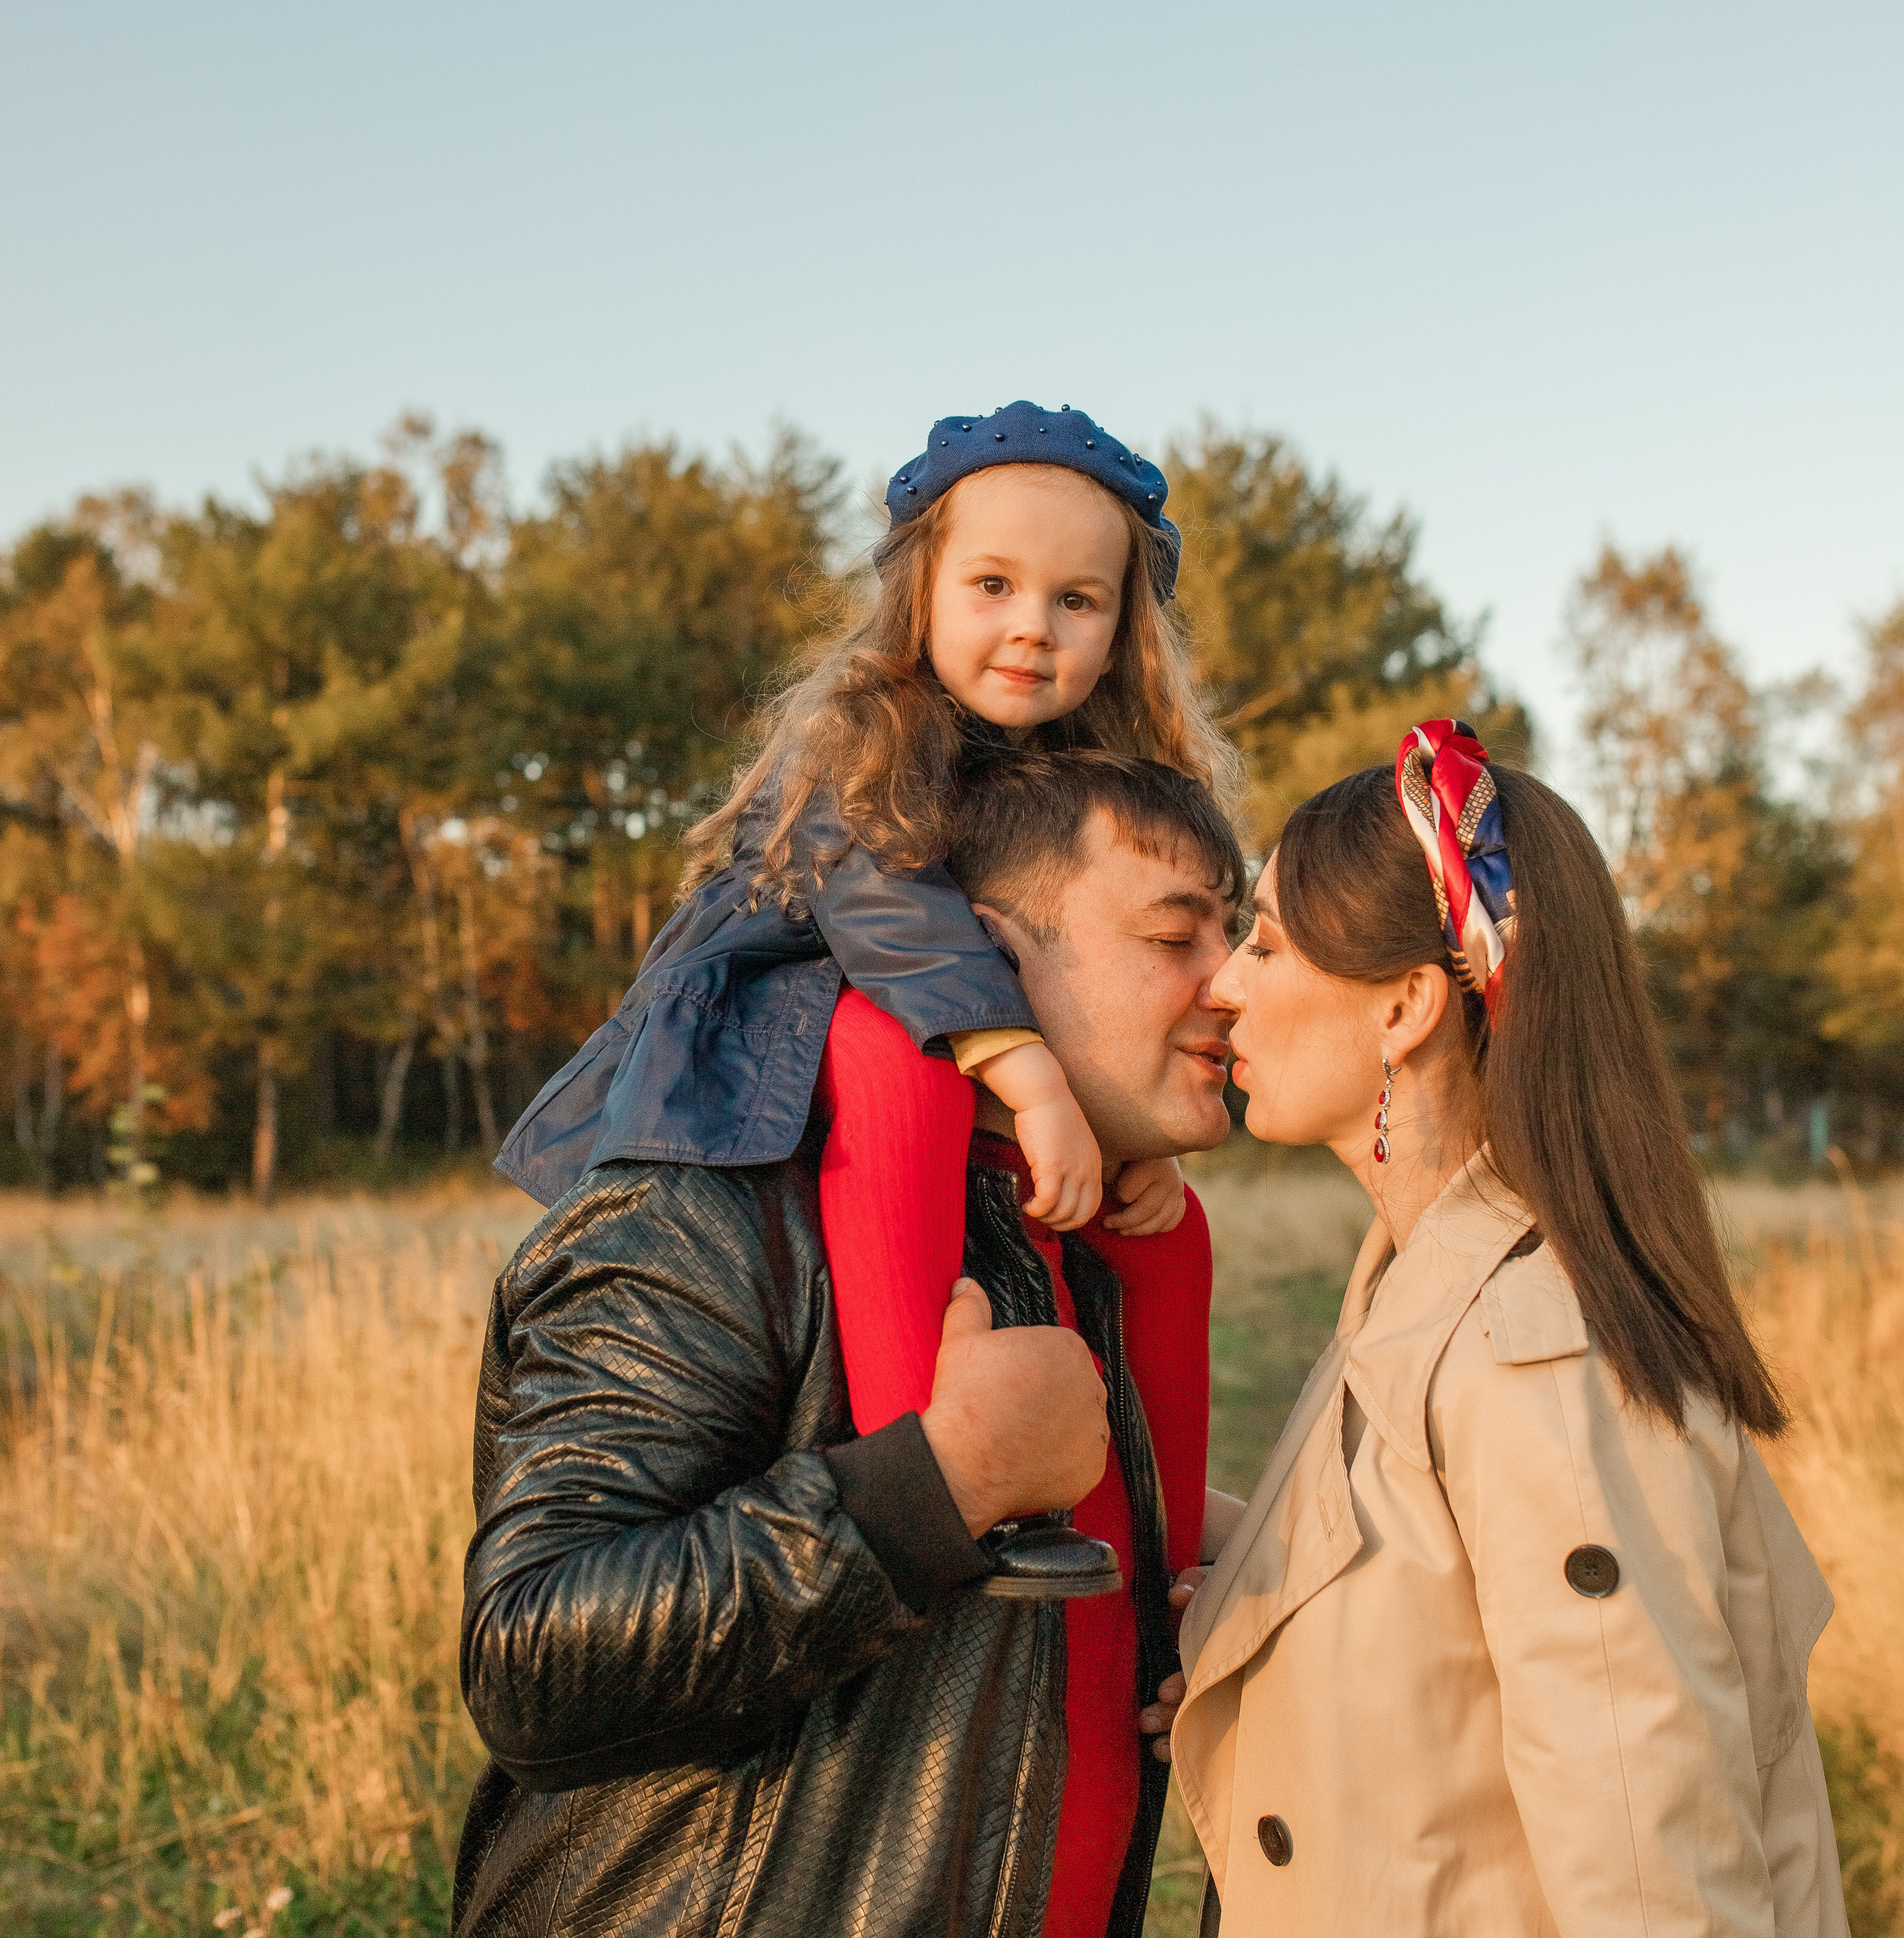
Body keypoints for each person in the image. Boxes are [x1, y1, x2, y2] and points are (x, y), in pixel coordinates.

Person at [457, 750, 1246, 1938]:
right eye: (1174, 937)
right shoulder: (712, 1205)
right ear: (988, 955)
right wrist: (945, 1480)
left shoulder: (1077, 1232)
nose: (1229, 984)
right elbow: (533, 1662)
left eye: (1234, 936)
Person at [493, 401, 1241, 1593]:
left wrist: (1125, 1129)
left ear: (1121, 629)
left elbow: (1056, 948)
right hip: (766, 1040)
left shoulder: (1075, 775)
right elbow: (893, 918)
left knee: (1166, 1219)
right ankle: (930, 1460)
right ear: (921, 594)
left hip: (923, 1033)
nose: (1031, 629)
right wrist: (1040, 1081)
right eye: (992, 585)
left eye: (1076, 601)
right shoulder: (869, 734)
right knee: (902, 1057)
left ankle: (1160, 1560)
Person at [1170, 720, 1847, 1936]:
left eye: (1265, 944)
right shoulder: (1424, 1286)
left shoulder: (1537, 1358)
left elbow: (1653, 1878)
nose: (1222, 984)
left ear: (1405, 1010)